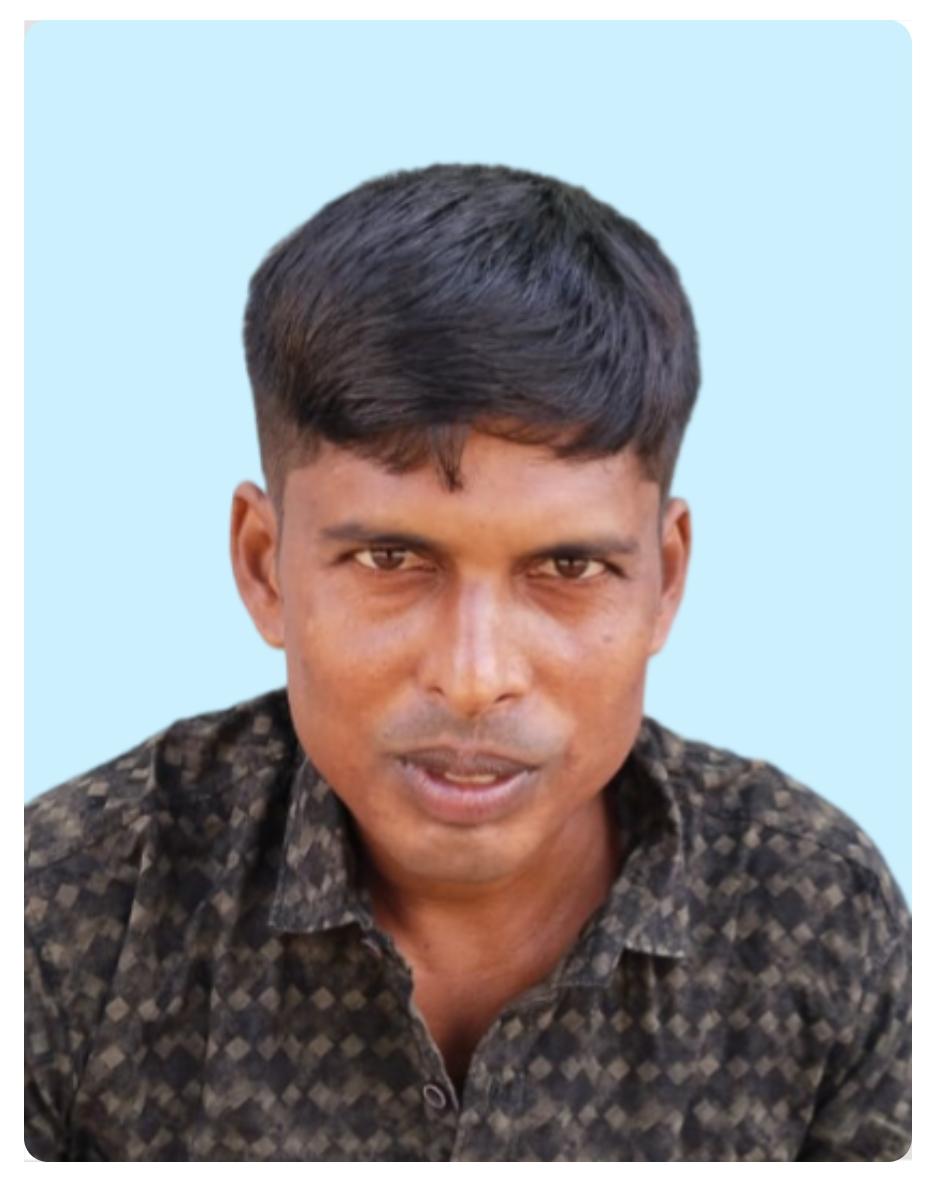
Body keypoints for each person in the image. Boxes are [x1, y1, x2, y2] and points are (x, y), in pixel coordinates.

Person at [25, 163, 910, 1162]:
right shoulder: (69, 911)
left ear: (665, 579)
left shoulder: (812, 915)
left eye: (567, 567)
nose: (476, 675)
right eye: (389, 559)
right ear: (264, 565)